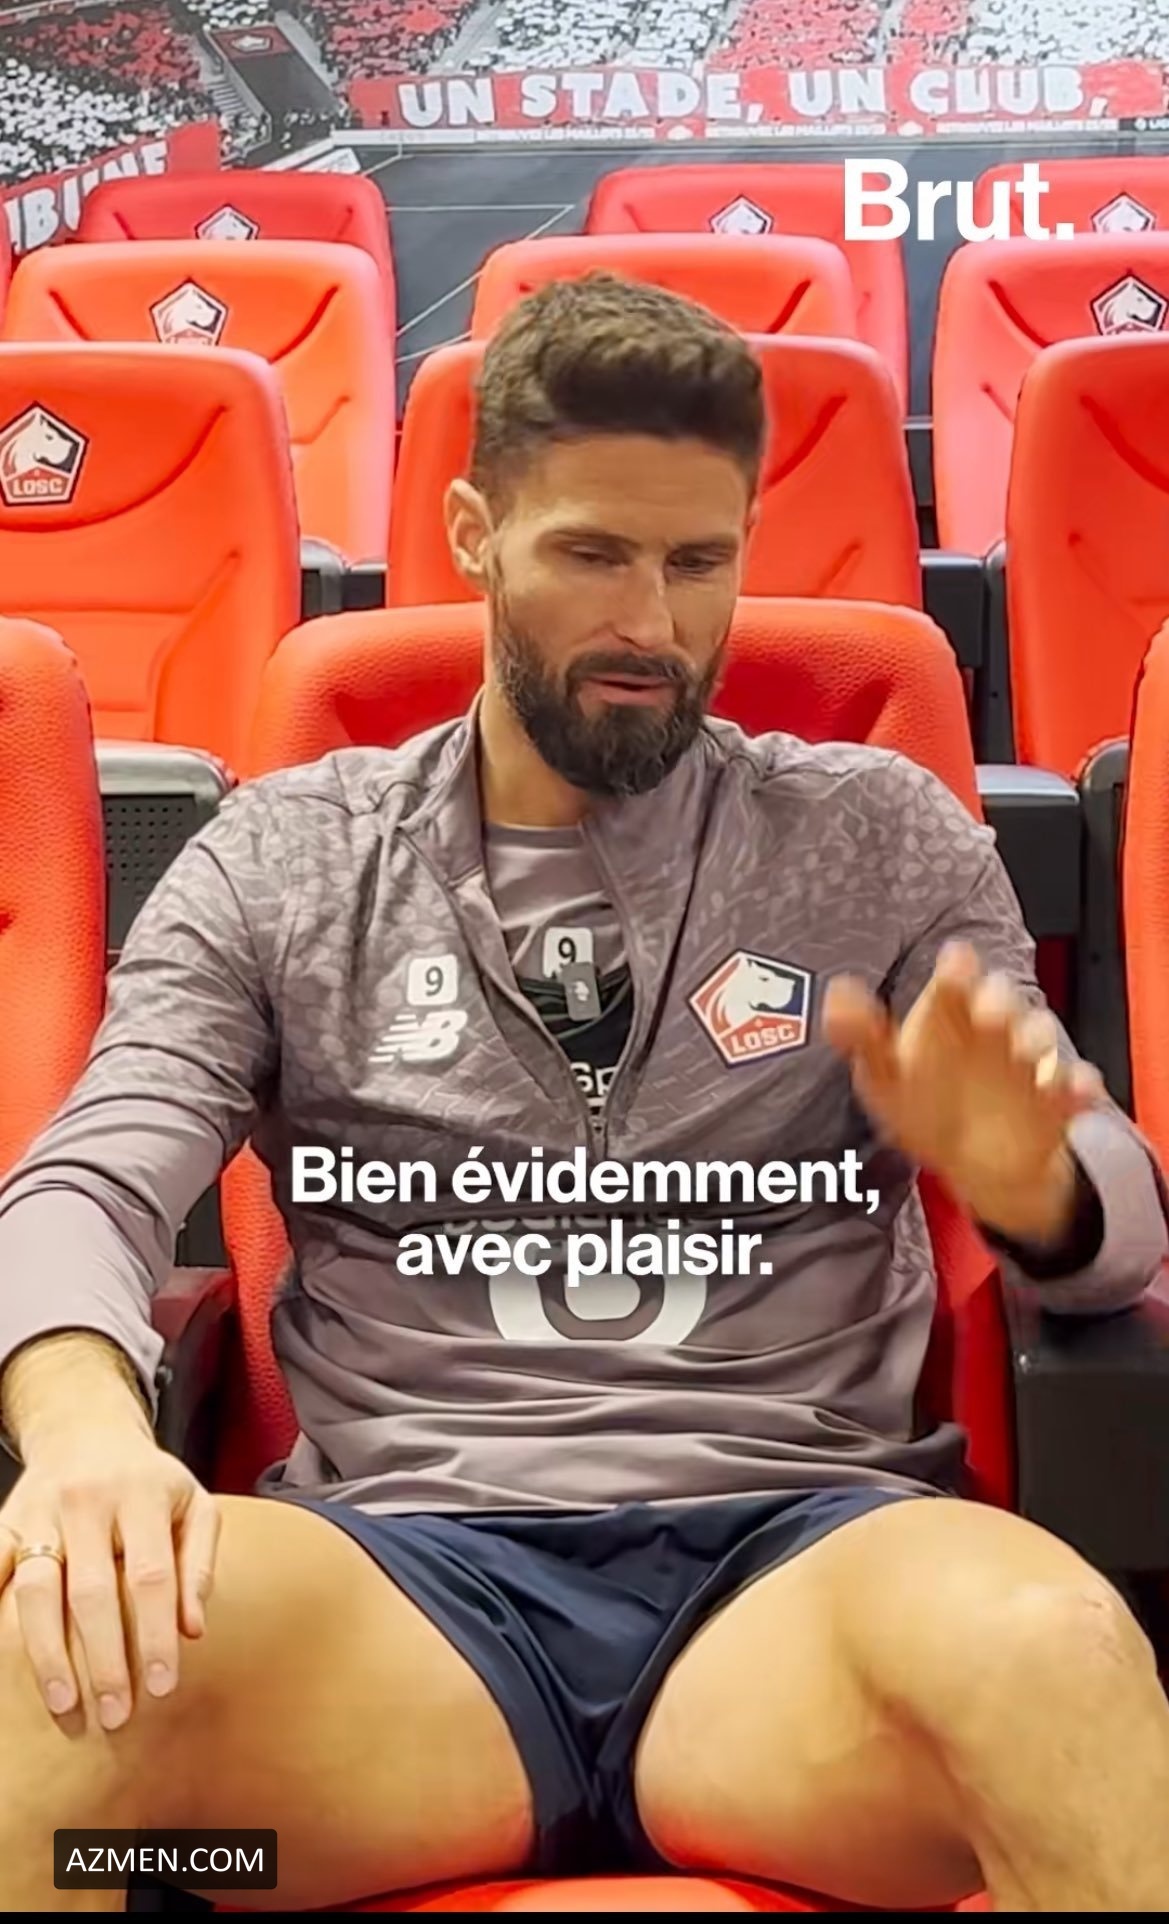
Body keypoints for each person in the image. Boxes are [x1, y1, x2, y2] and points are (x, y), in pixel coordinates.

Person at [0, 272, 1168, 1915]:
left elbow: (1114, 1225)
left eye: (697, 562)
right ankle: (171, 1873)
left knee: (1057, 1655)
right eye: (593, 556)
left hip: (799, 1609)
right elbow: (86, 1184)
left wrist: (1038, 1185)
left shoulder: (879, 835)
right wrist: (80, 1438)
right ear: (473, 535)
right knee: (62, 1700)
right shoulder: (287, 857)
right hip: (398, 1628)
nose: (653, 628)